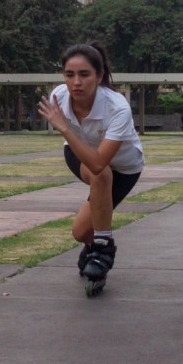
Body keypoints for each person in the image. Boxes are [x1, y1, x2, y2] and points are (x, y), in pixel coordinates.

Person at [37, 42, 144, 284]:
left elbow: (97, 163)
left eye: (84, 74)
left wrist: (64, 128)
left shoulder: (117, 107)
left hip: (124, 168)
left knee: (81, 232)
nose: (76, 82)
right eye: (69, 75)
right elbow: (95, 167)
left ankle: (95, 244)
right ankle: (103, 249)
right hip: (79, 154)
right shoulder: (58, 96)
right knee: (101, 175)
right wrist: (68, 134)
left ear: (99, 76)